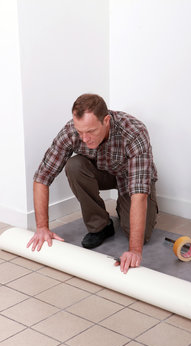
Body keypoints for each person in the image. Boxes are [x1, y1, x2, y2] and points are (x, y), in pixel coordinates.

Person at [27, 94, 158, 273]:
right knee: (74, 166)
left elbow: (139, 194)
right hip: (102, 173)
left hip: (132, 180)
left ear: (106, 120)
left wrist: (135, 250)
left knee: (140, 237)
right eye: (80, 132)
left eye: (90, 132)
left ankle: (124, 208)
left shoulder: (134, 132)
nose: (84, 138)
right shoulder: (71, 132)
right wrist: (42, 228)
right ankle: (100, 226)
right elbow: (42, 177)